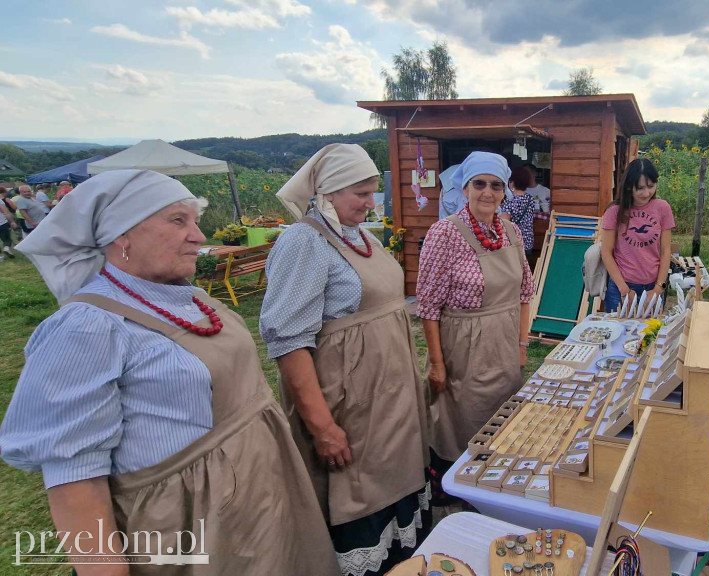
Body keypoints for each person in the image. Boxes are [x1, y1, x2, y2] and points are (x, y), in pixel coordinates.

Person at [1, 170, 339, 575]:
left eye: (195, 221)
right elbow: (75, 482)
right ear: (121, 236)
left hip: (261, 498)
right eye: (178, 221)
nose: (198, 236)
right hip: (190, 528)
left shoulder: (191, 297)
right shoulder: (86, 326)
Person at [261, 144, 431, 576]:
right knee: (358, 487)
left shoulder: (360, 235)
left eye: (373, 191)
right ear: (328, 192)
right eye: (360, 193)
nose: (371, 203)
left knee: (393, 479)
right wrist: (323, 427)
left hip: (389, 396)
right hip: (349, 402)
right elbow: (288, 341)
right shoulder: (304, 242)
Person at [417, 151, 536, 496]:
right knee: (462, 421)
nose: (488, 192)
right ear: (465, 188)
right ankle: (454, 490)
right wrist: (438, 364)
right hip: (464, 347)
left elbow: (525, 292)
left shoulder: (510, 231)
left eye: (496, 185)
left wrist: (522, 345)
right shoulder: (444, 234)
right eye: (479, 184)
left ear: (505, 191)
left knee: (501, 417)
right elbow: (428, 307)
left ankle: (493, 487)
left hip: (504, 342)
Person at [599, 157, 675, 312]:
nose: (646, 193)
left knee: (649, 334)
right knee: (619, 333)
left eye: (651, 186)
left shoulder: (663, 208)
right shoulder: (614, 211)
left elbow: (666, 251)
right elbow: (606, 252)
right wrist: (624, 289)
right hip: (621, 287)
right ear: (628, 187)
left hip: (653, 287)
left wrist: (658, 288)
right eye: (639, 188)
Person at [502, 166, 536, 253]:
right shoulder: (530, 199)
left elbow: (504, 223)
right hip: (528, 242)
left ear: (512, 183)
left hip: (514, 244)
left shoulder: (509, 200)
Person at [0, 189, 14, 260]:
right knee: (7, 239)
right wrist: (12, 221)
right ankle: (6, 248)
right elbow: (6, 212)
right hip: (2, 223)